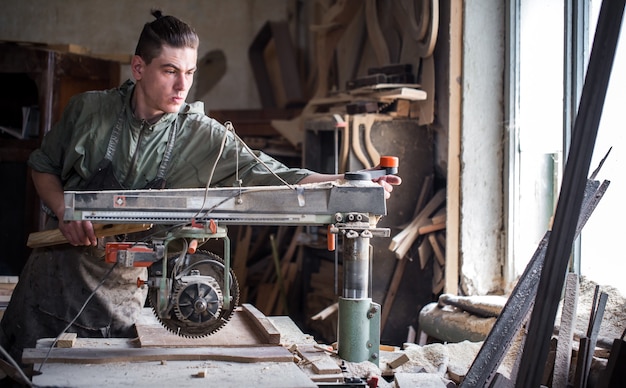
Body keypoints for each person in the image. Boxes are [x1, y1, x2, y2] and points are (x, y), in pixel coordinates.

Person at [0, 9, 401, 372]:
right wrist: (63, 209)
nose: (182, 86)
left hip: (116, 297)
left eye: (189, 73)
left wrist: (352, 182)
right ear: (138, 67)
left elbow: (274, 174)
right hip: (48, 283)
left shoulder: (202, 135)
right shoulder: (88, 110)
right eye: (170, 70)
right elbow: (42, 166)